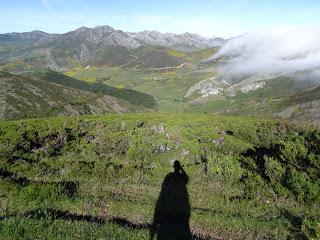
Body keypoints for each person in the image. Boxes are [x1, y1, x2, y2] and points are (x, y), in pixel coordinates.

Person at [150, 160, 192, 240]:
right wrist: (181, 168)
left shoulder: (172, 176)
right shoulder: (176, 176)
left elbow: (186, 179)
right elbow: (186, 179)